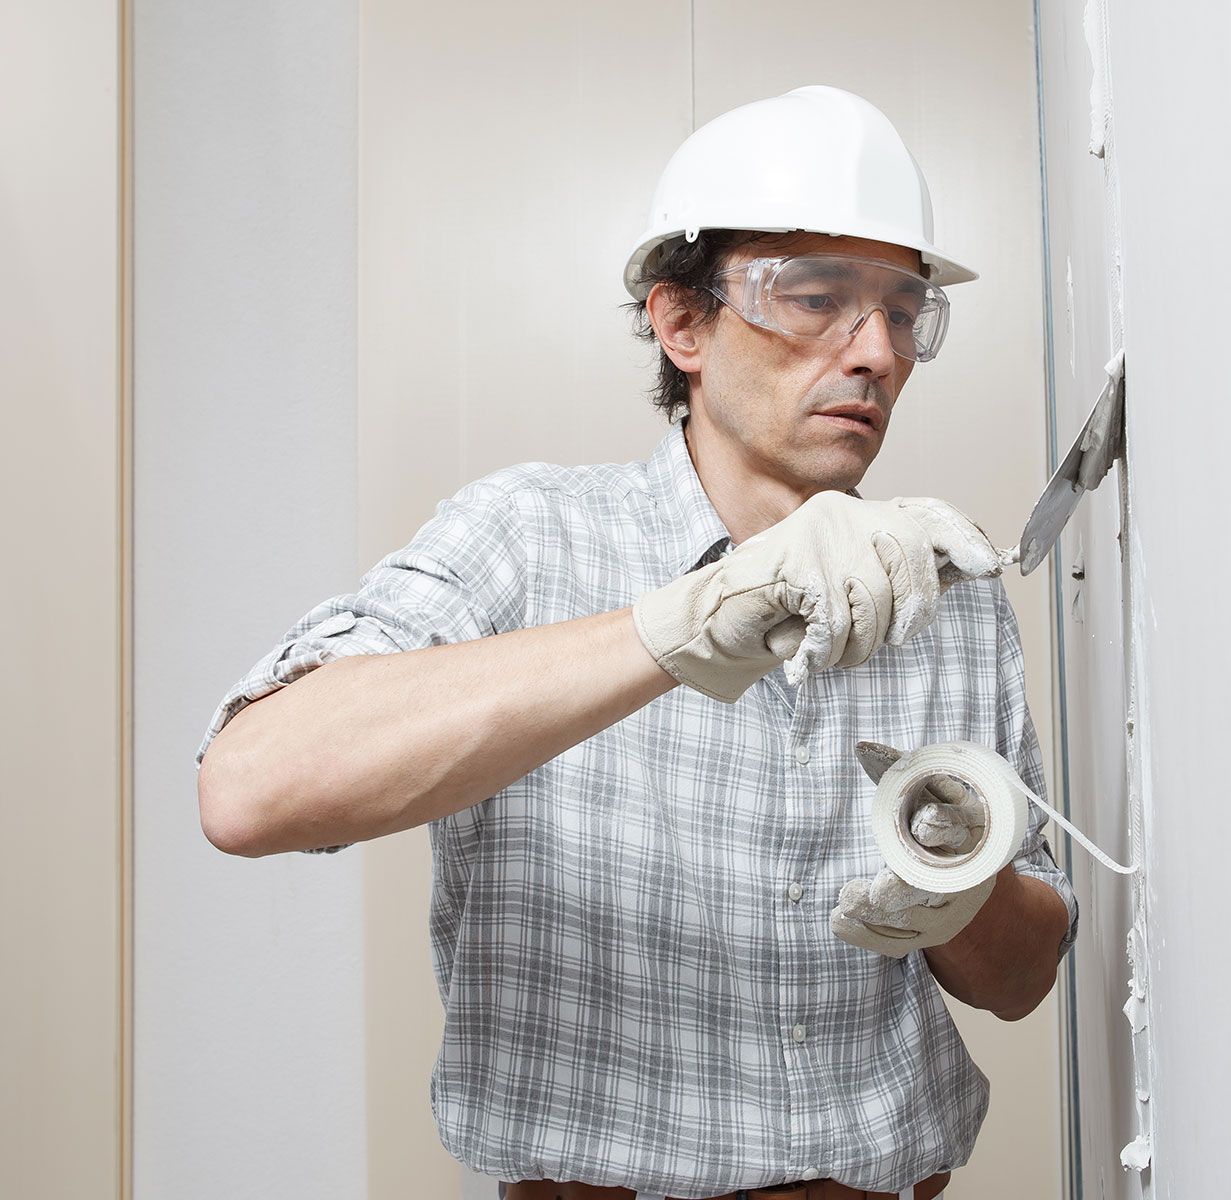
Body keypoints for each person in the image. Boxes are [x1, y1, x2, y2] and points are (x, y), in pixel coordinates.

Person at [194, 85, 1077, 1200]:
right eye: (815, 297)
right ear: (681, 322)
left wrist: (960, 882)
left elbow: (1023, 978)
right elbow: (251, 787)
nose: (875, 353)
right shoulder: (530, 536)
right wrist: (675, 627)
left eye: (904, 311)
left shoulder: (949, 593)